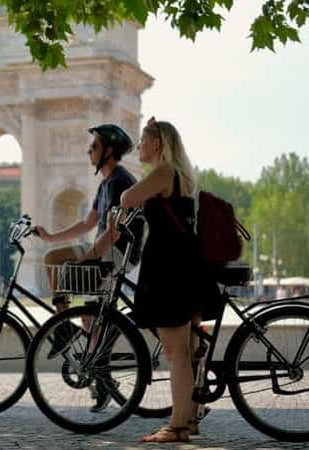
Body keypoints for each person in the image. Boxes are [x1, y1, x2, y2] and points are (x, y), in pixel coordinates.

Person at [34, 123, 142, 411]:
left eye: (93, 146)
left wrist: (88, 257)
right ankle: (99, 376)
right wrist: (51, 237)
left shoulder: (122, 181)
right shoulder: (106, 182)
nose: (88, 151)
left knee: (60, 268)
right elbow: (88, 223)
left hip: (116, 253)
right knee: (88, 318)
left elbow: (115, 232)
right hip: (103, 249)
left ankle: (64, 331)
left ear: (108, 151)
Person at [120, 117, 203, 443]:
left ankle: (177, 427)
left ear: (157, 144)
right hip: (183, 267)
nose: (139, 146)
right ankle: (190, 419)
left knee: (176, 353)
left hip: (168, 270)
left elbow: (128, 198)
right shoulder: (180, 175)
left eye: (142, 140)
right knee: (186, 350)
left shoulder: (163, 173)